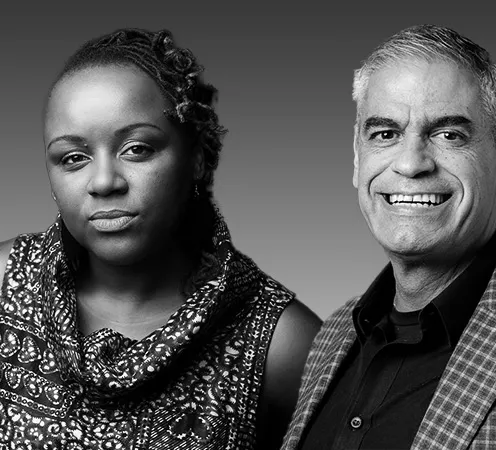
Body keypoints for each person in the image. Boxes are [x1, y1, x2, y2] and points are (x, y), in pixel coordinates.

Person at [281, 25, 496, 450]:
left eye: (448, 135)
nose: (411, 164)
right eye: (385, 134)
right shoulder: (333, 335)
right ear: (358, 159)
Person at [0, 28, 321, 449]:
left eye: (136, 149)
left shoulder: (282, 341)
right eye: (72, 158)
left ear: (198, 158)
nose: (103, 182)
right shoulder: (6, 283)